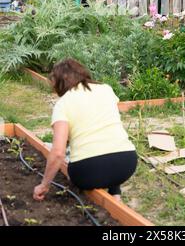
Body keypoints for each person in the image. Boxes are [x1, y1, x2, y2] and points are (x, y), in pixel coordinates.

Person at [33, 59, 137, 203]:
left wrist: (44, 185)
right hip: (127, 164)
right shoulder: (106, 89)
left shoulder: (63, 104)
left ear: (59, 83)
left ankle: (109, 195)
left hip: (87, 173)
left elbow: (58, 153)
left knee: (80, 165)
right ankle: (115, 195)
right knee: (107, 141)